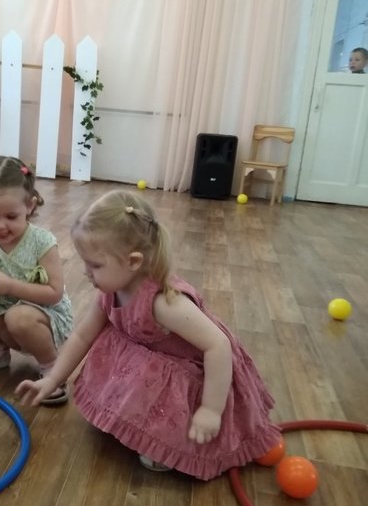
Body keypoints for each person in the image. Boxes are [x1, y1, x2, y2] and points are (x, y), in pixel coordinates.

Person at [16, 189, 282, 479]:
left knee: (153, 374)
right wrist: (53, 379)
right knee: (122, 353)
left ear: (133, 261)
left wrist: (210, 410)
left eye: (95, 265)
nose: (86, 272)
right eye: (85, 262)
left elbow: (219, 345)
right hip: (152, 358)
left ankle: (169, 441)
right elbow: (82, 336)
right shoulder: (110, 291)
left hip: (199, 373)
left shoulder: (164, 303)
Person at [0, 156, 73, 406]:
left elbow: (54, 293)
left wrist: (9, 286)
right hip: (4, 311)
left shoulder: (42, 242)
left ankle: (51, 366)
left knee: (18, 317)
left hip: (44, 317)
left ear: (30, 206)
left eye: (11, 216)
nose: (0, 225)